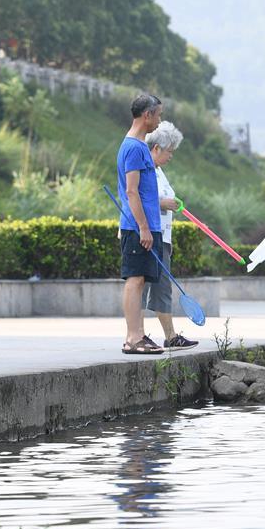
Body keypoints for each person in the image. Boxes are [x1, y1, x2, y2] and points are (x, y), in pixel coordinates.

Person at [142, 122, 198, 350]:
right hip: (146, 236)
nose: (171, 157)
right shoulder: (143, 167)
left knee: (163, 287)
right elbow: (134, 196)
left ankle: (171, 336)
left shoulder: (158, 170)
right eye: (169, 152)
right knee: (140, 286)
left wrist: (171, 204)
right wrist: (162, 203)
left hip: (162, 237)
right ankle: (137, 335)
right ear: (156, 148)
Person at [117, 94, 164, 355]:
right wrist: (143, 227)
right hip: (138, 227)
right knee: (134, 280)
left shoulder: (139, 146)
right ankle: (134, 337)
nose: (159, 120)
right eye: (157, 115)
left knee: (140, 279)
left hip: (143, 225)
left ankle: (137, 335)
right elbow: (131, 191)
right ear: (147, 115)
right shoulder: (134, 147)